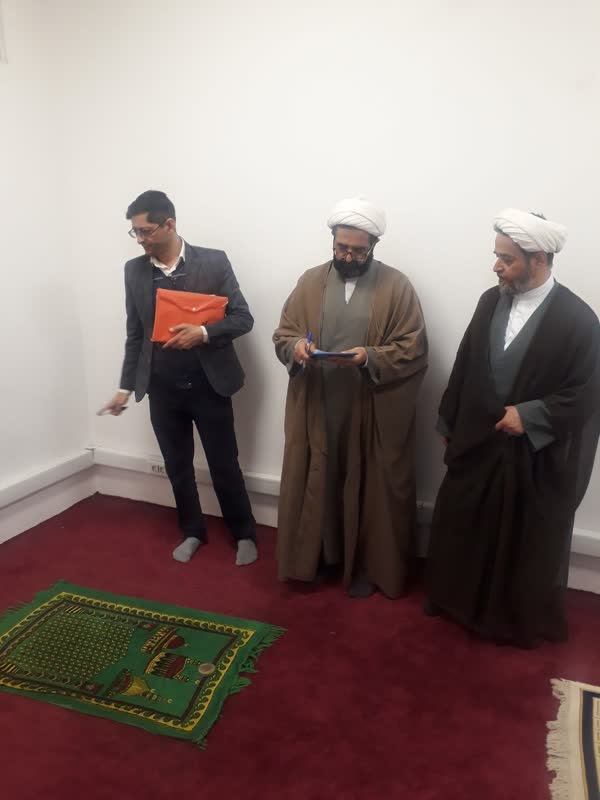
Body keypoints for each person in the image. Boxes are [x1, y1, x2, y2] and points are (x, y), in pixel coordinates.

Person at [425, 208, 600, 647]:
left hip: (532, 455)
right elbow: (466, 362)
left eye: (507, 259)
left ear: (538, 259)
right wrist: (449, 418)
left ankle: (505, 620)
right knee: (462, 520)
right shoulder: (490, 300)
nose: (496, 266)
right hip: (477, 439)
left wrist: (532, 415)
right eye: (497, 255)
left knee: (520, 537)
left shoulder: (579, 320)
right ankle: (456, 601)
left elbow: (586, 392)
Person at [273, 197, 428, 598]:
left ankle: (364, 567)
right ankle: (319, 558)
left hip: (368, 408)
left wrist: (370, 356)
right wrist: (296, 348)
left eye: (358, 250)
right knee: (319, 480)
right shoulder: (310, 281)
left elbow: (413, 348)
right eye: (342, 247)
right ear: (333, 240)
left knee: (368, 486)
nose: (348, 256)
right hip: (318, 405)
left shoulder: (396, 286)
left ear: (373, 246)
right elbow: (284, 334)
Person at [101, 190, 258, 566]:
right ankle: (192, 531)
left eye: (145, 231)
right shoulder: (134, 271)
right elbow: (135, 334)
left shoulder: (214, 262)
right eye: (135, 232)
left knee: (224, 464)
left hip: (210, 386)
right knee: (177, 465)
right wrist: (124, 388)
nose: (140, 240)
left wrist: (202, 333)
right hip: (162, 389)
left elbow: (242, 318)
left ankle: (244, 533)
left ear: (169, 224)